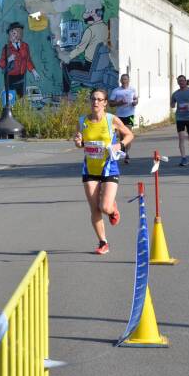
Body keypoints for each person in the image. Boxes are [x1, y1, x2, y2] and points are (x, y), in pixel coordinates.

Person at [73, 88, 134, 255]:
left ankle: (112, 209)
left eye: (99, 99)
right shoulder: (82, 121)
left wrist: (119, 145)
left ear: (105, 103)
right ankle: (103, 242)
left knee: (105, 207)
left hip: (109, 168)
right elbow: (80, 142)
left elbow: (129, 135)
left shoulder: (111, 120)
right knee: (95, 209)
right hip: (90, 169)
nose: (95, 102)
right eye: (93, 99)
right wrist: (78, 142)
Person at [0, 22, 39, 98]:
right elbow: (1, 64)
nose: (11, 36)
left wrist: (34, 72)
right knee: (11, 97)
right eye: (10, 33)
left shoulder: (25, 46)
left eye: (13, 33)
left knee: (21, 97)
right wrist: (9, 59)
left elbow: (28, 60)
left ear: (19, 34)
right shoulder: (6, 48)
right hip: (10, 77)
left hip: (22, 77)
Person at [171, 75, 189, 166]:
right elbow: (172, 105)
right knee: (181, 138)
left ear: (185, 81)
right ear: (177, 82)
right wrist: (173, 103)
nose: (181, 82)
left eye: (182, 81)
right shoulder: (175, 94)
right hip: (180, 118)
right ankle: (183, 158)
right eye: (179, 81)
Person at [108, 73, 138, 164]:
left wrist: (135, 103)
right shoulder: (116, 91)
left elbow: (136, 99)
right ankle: (124, 151)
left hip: (130, 115)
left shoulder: (132, 89)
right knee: (121, 136)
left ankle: (126, 153)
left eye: (126, 79)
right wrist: (119, 103)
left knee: (128, 133)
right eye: (123, 79)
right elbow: (111, 103)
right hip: (120, 116)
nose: (124, 81)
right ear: (120, 81)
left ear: (128, 80)